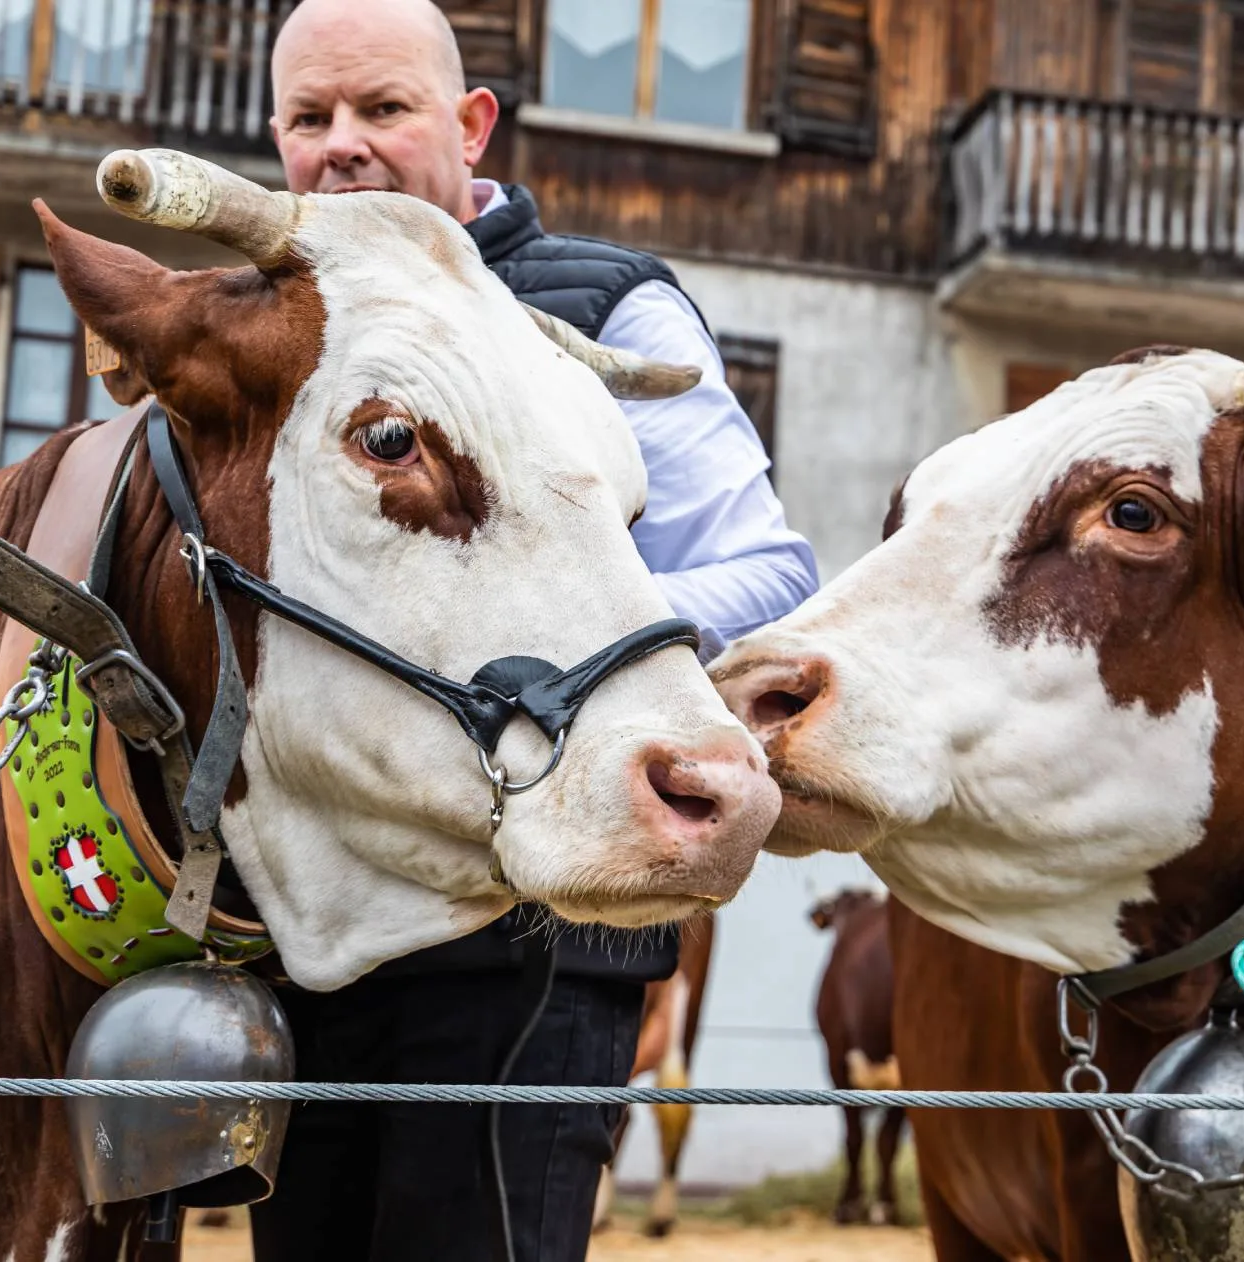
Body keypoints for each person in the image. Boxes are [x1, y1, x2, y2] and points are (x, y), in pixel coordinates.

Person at [249, 2, 819, 1259]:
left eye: (382, 109)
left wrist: (576, 650)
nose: (340, 146)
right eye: (307, 117)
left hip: (539, 935)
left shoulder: (611, 308)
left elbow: (771, 573)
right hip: (315, 934)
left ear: (469, 125)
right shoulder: (272, 329)